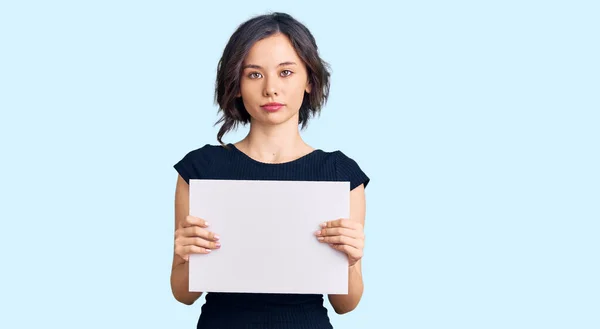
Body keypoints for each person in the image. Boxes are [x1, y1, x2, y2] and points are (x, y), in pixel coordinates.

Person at [170, 12, 370, 329]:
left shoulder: (339, 173)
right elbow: (183, 294)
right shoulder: (201, 168)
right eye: (254, 75)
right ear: (235, 85)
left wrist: (351, 262)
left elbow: (345, 305)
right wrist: (184, 257)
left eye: (286, 72)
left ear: (309, 81)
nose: (271, 89)